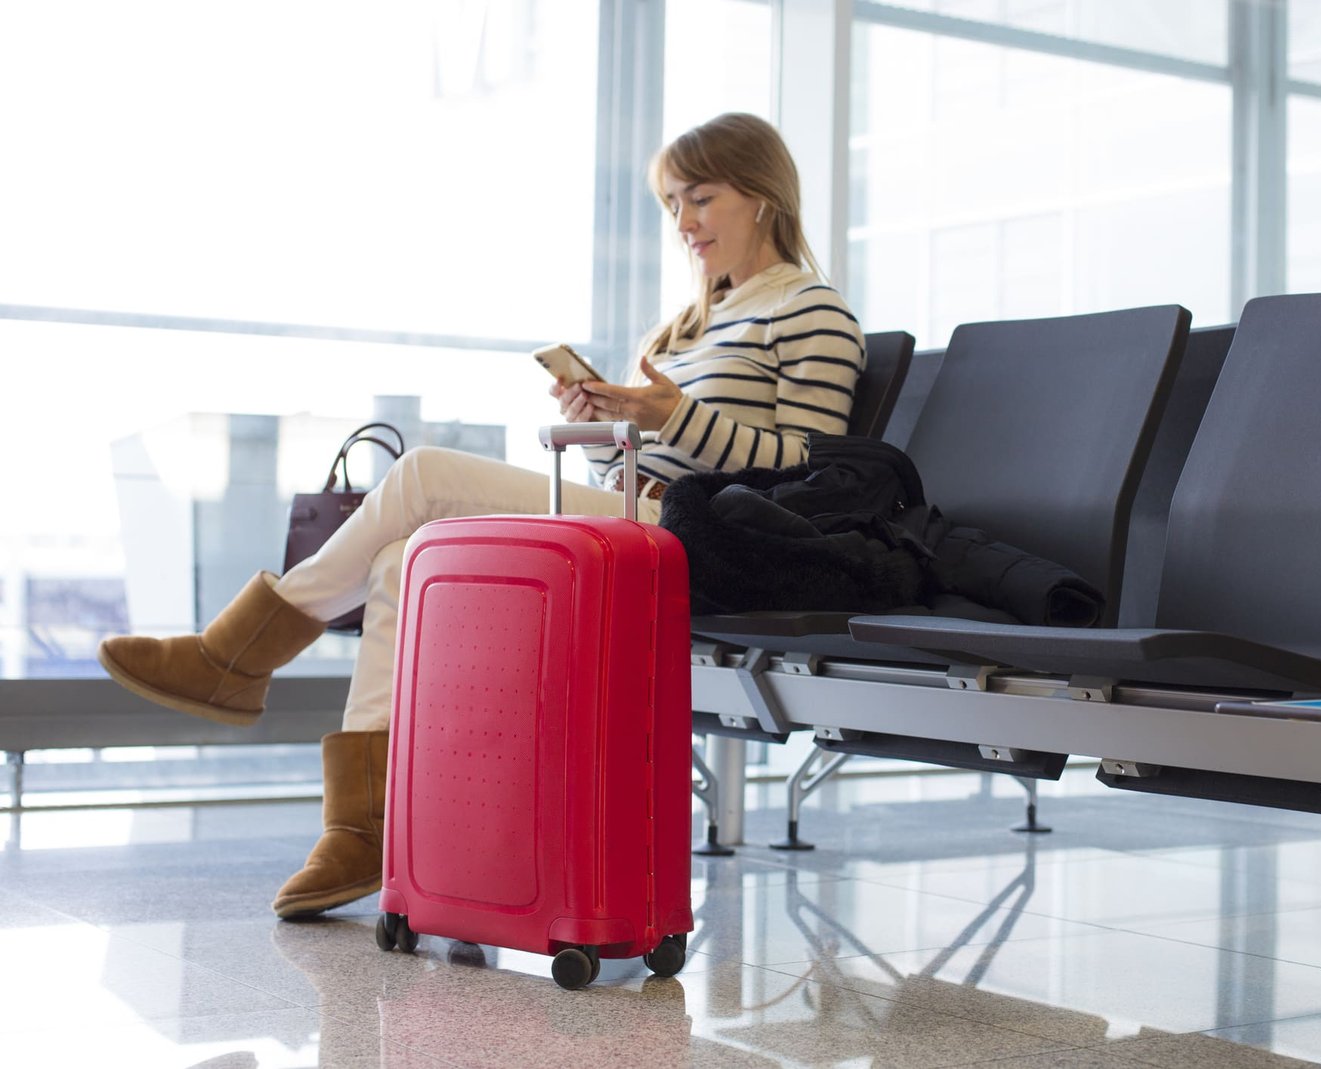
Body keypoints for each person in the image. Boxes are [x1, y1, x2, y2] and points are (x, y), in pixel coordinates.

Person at [96, 112, 866, 918]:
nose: (683, 224)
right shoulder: (691, 325)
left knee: (425, 474)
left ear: (763, 197)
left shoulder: (810, 311)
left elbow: (812, 479)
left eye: (700, 199)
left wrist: (672, 417)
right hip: (641, 511)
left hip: (705, 537)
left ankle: (238, 653)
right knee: (401, 562)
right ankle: (361, 826)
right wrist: (609, 425)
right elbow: (650, 458)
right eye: (673, 203)